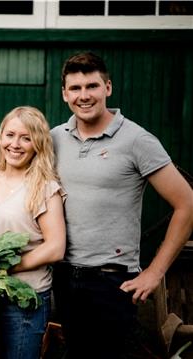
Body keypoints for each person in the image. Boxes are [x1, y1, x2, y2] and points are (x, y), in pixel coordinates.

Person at [51, 52, 193, 359]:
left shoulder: (136, 140)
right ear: (64, 94)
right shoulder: (54, 139)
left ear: (108, 88)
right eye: (75, 88)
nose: (84, 95)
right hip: (63, 278)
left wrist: (155, 272)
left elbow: (187, 204)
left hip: (112, 281)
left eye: (92, 86)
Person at [0, 106, 67, 359]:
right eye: (10, 135)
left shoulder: (44, 188)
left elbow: (56, 247)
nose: (16, 144)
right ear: (0, 136)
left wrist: (8, 268)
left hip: (26, 299)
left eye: (26, 138)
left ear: (38, 144)